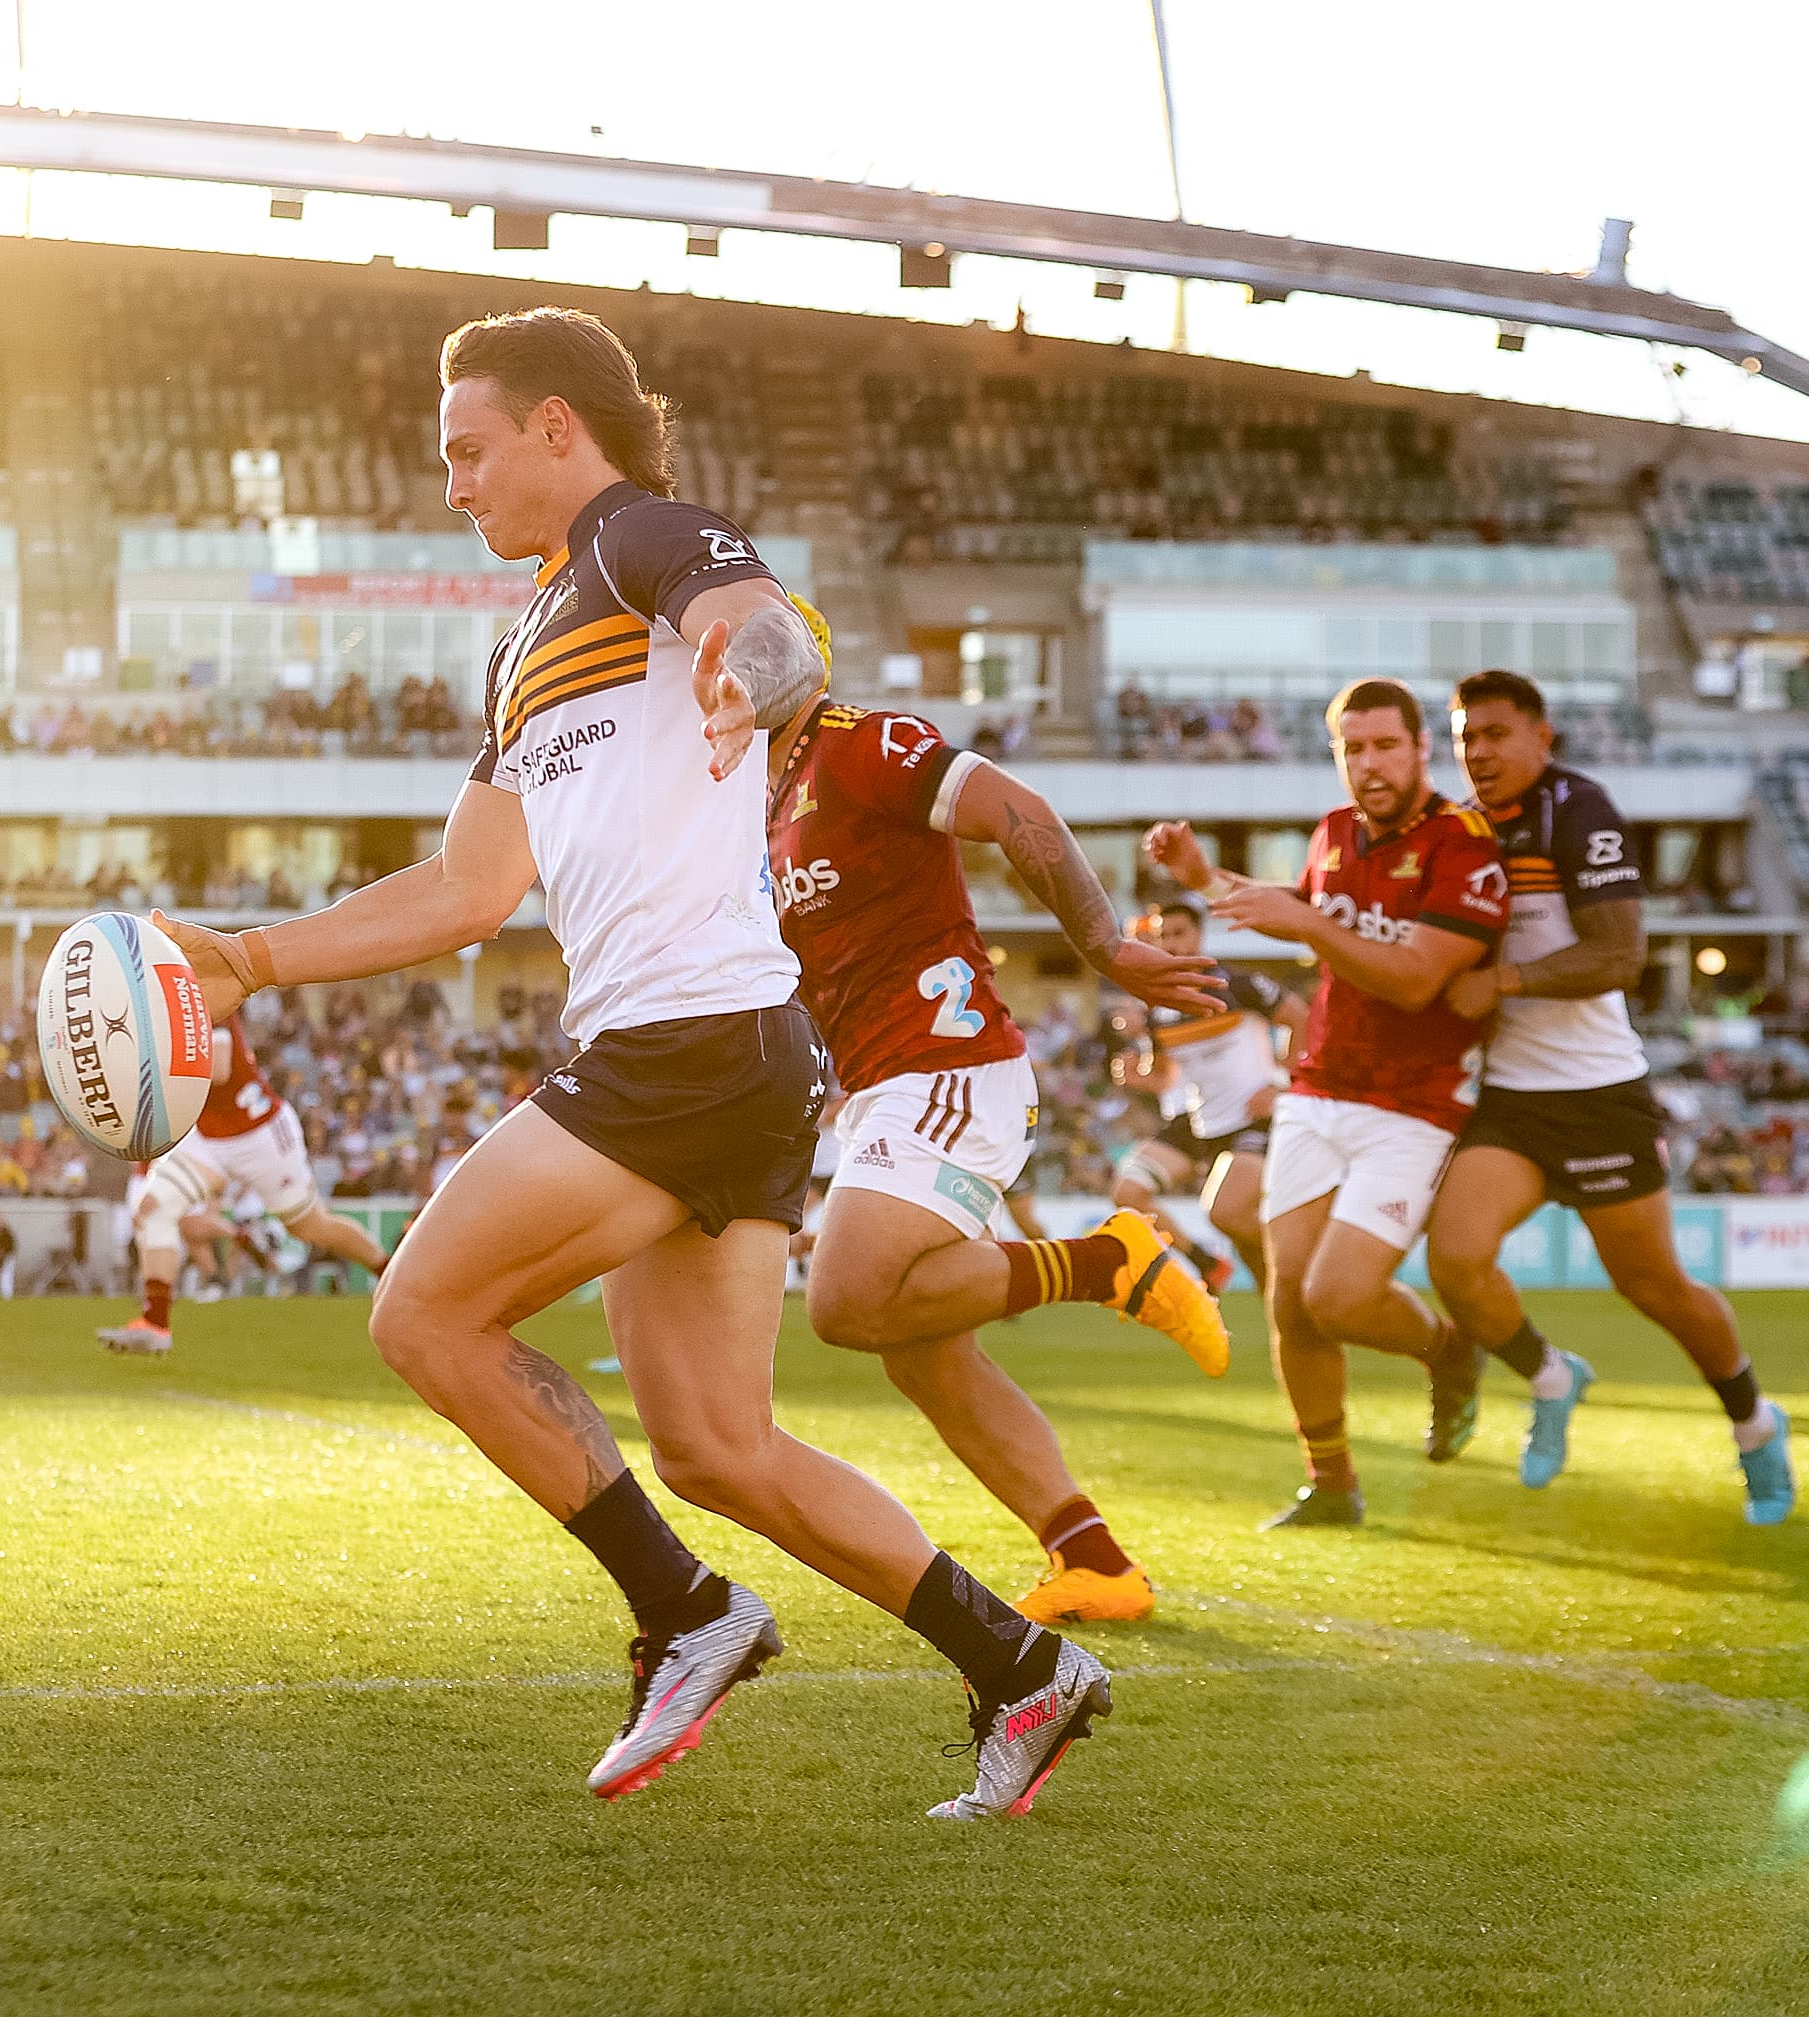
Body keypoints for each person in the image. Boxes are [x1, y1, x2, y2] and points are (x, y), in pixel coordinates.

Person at [156, 306, 1112, 1820]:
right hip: (718, 1050)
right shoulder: (522, 643)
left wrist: (756, 669)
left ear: (556, 429)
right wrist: (250, 956)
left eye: (469, 451)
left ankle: (684, 1615)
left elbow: (768, 626)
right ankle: (1022, 1671)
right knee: (719, 1447)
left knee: (424, 1316)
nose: (453, 483)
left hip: (695, 1038)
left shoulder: (644, 538)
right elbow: (469, 894)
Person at [762, 649, 1231, 1628]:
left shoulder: (857, 743)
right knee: (920, 1350)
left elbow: (1019, 808)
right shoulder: (763, 799)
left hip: (947, 1065)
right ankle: (1091, 1556)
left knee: (848, 1302)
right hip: (890, 1083)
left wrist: (1104, 946)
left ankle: (1107, 1261)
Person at [1425, 670, 1794, 1521]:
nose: (1477, 751)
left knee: (1656, 1287)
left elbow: (1620, 955)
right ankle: (1552, 1377)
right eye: (1463, 737)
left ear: (1541, 737)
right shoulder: (1460, 827)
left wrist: (1504, 980)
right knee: (1455, 1258)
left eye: (1494, 733)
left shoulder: (1577, 809)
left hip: (1599, 1094)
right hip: (1512, 1099)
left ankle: (1754, 1425)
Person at [1147, 677, 1510, 1530]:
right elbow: (1301, 917)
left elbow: (1419, 979)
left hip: (1414, 1105)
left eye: (1386, 745)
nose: (1369, 763)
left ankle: (1447, 1347)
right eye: (1353, 748)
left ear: (1423, 749)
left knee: (1338, 1297)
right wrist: (1204, 878)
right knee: (1289, 1299)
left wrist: (1308, 925)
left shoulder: (1463, 842)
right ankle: (1332, 1481)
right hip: (1318, 1087)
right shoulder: (1335, 834)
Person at [99, 1014, 390, 1355]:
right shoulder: (156, 990)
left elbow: (219, 1070)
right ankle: (155, 1322)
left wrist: (148, 1066)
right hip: (209, 1137)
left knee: (310, 1226)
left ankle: (391, 1272)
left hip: (259, 1133)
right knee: (153, 1209)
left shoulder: (207, 986)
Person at [1111, 901, 1305, 1294]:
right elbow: (1166, 1077)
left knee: (1227, 1211)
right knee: (1128, 1194)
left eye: (1180, 934)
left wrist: (1283, 1081)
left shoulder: (1239, 986)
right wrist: (1136, 1076)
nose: (1173, 944)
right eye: (1165, 936)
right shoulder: (1158, 1008)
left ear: (1200, 936)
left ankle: (1303, 1270)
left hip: (1254, 1116)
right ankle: (1208, 1263)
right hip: (1200, 1120)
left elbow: (1301, 1019)